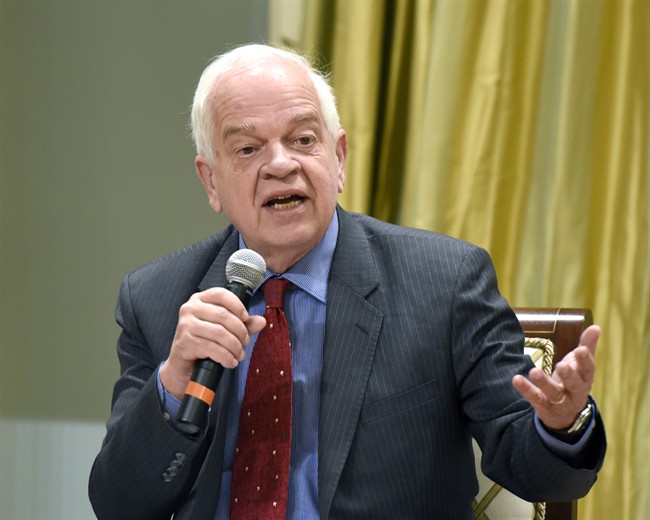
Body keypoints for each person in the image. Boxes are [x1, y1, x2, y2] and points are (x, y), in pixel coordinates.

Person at [89, 44, 606, 519]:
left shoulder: (444, 284)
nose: (281, 164)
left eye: (303, 139)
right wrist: (174, 380)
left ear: (338, 160)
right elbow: (120, 504)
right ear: (211, 181)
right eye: (247, 149)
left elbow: (537, 470)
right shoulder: (158, 298)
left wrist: (561, 424)